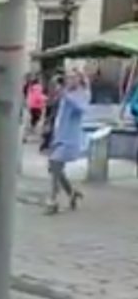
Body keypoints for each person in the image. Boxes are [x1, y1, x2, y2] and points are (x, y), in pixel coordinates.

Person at [45, 69, 89, 215]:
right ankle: (71, 193)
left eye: (72, 78)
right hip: (59, 136)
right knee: (55, 168)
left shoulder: (82, 93)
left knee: (55, 162)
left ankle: (53, 200)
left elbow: (81, 108)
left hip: (71, 139)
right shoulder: (65, 94)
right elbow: (53, 105)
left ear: (79, 80)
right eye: (67, 78)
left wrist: (65, 95)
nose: (69, 80)